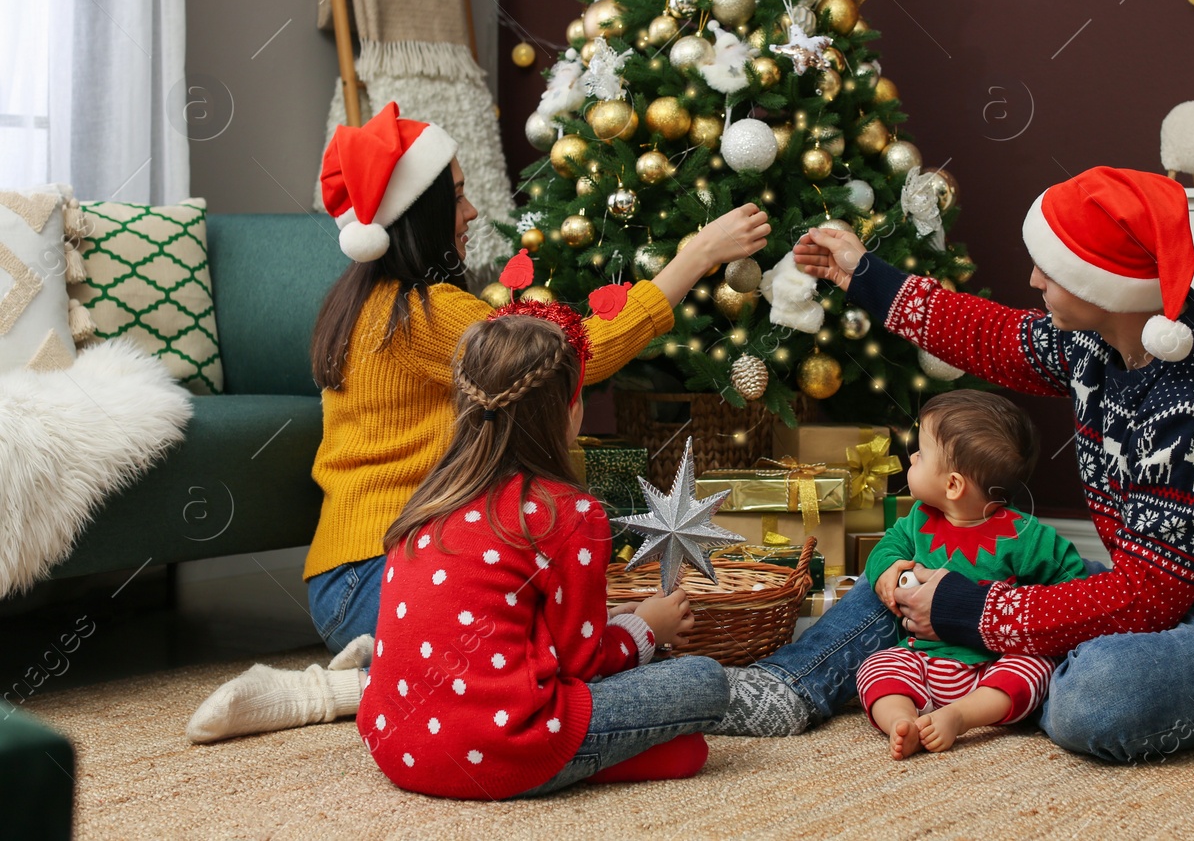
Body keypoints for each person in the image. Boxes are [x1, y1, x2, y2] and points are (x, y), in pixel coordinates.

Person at [711, 167, 1194, 763]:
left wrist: (976, 610)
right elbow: (991, 337)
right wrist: (863, 273)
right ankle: (786, 686)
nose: (1034, 280)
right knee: (921, 567)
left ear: (1107, 282)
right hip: (1159, 588)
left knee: (1095, 696)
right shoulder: (1103, 337)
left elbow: (1147, 601)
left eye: (1053, 268)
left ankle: (998, 676)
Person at [187, 102, 766, 743]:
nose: (469, 214)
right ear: (421, 215)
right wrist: (695, 256)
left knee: (551, 633)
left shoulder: (361, 300)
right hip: (376, 577)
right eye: (457, 197)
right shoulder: (423, 313)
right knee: (537, 662)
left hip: (353, 578)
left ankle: (393, 671)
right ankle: (343, 689)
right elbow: (571, 355)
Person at [358, 308, 725, 798]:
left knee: (686, 752)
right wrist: (643, 631)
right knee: (705, 681)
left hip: (399, 750)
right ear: (569, 409)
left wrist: (612, 618)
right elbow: (581, 664)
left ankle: (582, 759)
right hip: (507, 744)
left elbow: (521, 626)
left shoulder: (430, 502)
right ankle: (555, 763)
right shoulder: (567, 513)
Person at [856, 390, 1084, 759]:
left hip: (992, 666)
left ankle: (960, 717)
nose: (912, 457)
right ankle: (903, 720)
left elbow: (1073, 585)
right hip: (924, 659)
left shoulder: (1027, 537)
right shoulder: (919, 519)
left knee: (1035, 669)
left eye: (922, 453)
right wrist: (886, 571)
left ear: (953, 485)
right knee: (878, 666)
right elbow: (887, 548)